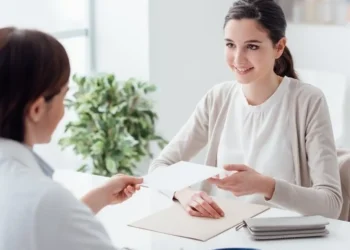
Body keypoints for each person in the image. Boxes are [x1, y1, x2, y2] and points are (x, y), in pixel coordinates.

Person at [149, 0, 343, 220]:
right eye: (230, 45)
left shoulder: (307, 101)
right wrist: (183, 194)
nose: (238, 59)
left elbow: (331, 204)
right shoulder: (218, 99)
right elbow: (159, 167)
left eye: (252, 46)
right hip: (217, 230)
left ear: (278, 47)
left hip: (281, 237)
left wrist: (266, 185)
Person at [0, 27, 143, 250]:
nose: (64, 110)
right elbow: (49, 215)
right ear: (37, 109)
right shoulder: (45, 200)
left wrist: (101, 196)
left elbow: (47, 227)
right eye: (64, 96)